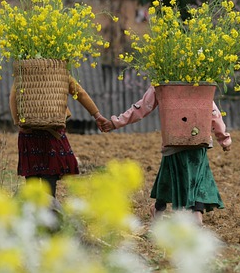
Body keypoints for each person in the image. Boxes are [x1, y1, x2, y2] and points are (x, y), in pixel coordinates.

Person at [99, 85, 231, 225]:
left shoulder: (191, 81)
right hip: (184, 140)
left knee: (190, 176)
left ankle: (194, 212)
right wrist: (223, 138)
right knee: (181, 177)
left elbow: (143, 106)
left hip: (190, 140)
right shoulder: (171, 82)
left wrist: (116, 123)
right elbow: (212, 110)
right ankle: (165, 209)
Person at [10, 76, 109, 199]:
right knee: (50, 173)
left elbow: (13, 96)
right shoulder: (58, 71)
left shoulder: (25, 71)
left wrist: (19, 122)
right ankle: (50, 209)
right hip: (53, 130)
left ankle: (32, 212)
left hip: (29, 130)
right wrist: (97, 115)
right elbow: (81, 94)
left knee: (32, 176)